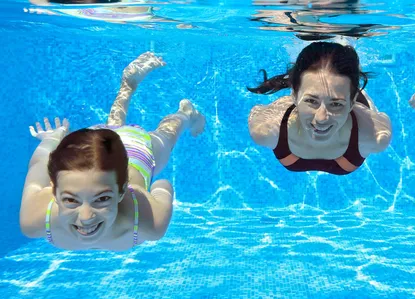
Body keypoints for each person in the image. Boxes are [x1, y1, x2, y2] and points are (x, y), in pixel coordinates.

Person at [20, 52, 205, 250]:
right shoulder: (35, 216)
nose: (85, 217)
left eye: (102, 199)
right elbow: (41, 163)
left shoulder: (148, 219)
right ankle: (127, 85)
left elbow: (162, 184)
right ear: (54, 191)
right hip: (96, 144)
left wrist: (53, 139)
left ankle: (185, 114)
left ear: (122, 191)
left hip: (136, 152)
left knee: (166, 136)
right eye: (70, 200)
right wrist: (52, 138)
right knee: (116, 133)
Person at [247, 41, 392, 175]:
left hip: (353, 104)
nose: (321, 118)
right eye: (311, 101)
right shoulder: (266, 130)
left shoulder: (374, 136)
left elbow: (382, 118)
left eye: (336, 104)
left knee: (346, 78)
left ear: (352, 102)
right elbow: (257, 110)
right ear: (294, 96)